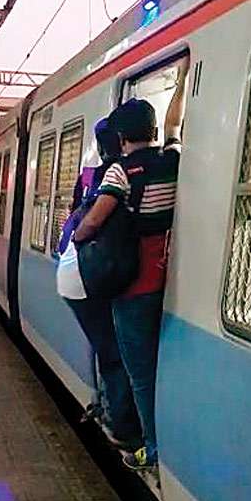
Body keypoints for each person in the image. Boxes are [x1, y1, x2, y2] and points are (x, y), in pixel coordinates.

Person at [75, 58, 190, 470]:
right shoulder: (173, 160)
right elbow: (176, 130)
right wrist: (182, 82)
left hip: (134, 282)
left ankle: (153, 448)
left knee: (139, 371)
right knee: (160, 361)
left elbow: (94, 219)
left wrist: (79, 236)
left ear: (122, 137)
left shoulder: (121, 173)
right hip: (168, 272)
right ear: (154, 131)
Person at [56, 118, 142, 452]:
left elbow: (76, 213)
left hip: (81, 274)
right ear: (120, 142)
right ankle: (118, 420)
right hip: (96, 276)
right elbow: (91, 222)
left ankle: (104, 403)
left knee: (103, 344)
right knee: (112, 353)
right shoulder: (121, 174)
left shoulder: (88, 176)